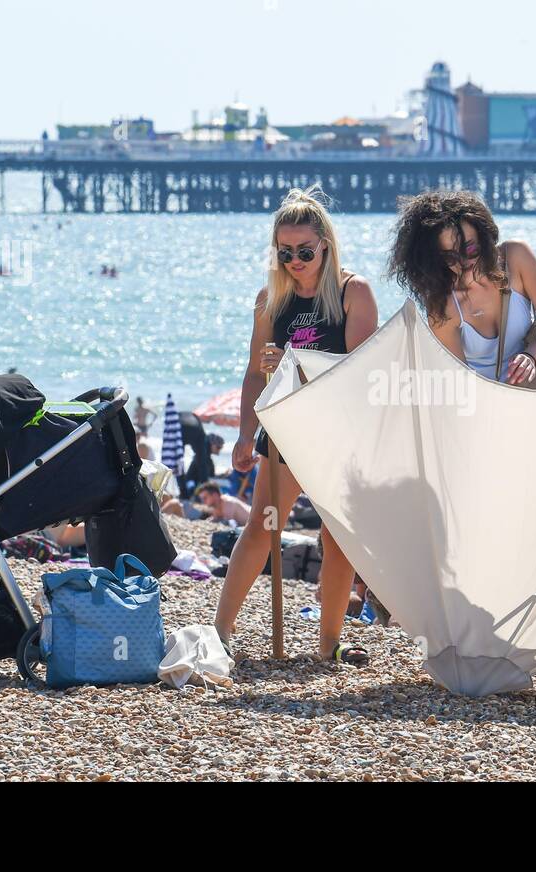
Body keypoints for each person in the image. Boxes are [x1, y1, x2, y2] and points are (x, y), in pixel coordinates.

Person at [213, 186, 379, 665]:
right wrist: (245, 433)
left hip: (339, 432)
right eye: (285, 252)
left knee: (338, 537)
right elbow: (252, 373)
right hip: (286, 429)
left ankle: (328, 643)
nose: (295, 261)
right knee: (262, 527)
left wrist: (294, 362)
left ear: (325, 243)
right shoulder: (271, 299)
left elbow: (360, 371)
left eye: (304, 251)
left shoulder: (354, 291)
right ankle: (221, 632)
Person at [387, 189, 536, 385]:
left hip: (534, 387)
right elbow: (460, 380)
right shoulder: (442, 305)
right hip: (480, 400)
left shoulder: (516, 256)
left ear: (485, 237)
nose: (464, 262)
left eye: (470, 249)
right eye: (450, 256)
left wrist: (530, 357)